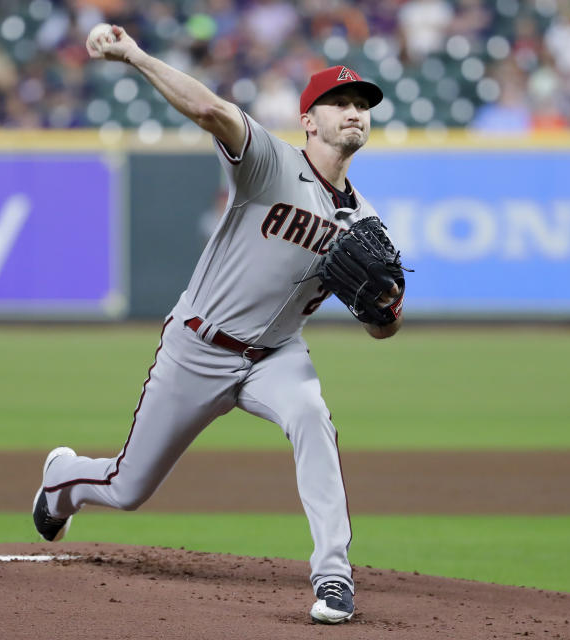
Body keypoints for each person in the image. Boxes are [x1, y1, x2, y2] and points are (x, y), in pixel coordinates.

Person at [32, 23, 402, 625]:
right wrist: (134, 55)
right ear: (310, 119)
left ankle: (333, 574)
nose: (354, 113)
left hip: (276, 357)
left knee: (312, 415)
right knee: (129, 489)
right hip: (198, 348)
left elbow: (382, 328)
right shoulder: (270, 164)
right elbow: (209, 108)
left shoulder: (365, 220)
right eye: (340, 103)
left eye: (362, 106)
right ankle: (61, 481)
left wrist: (385, 315)